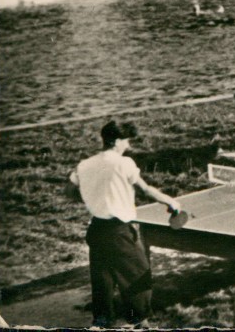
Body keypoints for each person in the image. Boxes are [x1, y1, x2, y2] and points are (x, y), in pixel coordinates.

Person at [69, 120, 180, 328]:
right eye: (126, 140)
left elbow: (71, 190)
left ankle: (103, 321)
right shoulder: (124, 163)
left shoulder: (84, 165)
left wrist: (93, 197)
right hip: (119, 231)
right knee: (138, 274)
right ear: (116, 141)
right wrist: (171, 202)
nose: (128, 145)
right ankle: (139, 321)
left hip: (96, 229)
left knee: (103, 279)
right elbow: (145, 190)